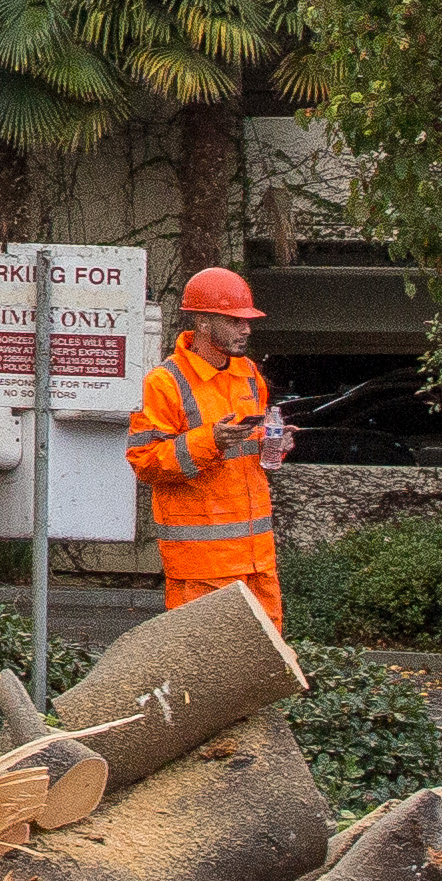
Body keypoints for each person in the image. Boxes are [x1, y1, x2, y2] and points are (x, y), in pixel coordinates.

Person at [129, 265, 290, 619]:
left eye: (246, 321)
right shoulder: (164, 382)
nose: (246, 329)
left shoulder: (248, 373)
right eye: (234, 320)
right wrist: (210, 441)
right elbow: (145, 462)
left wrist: (272, 443)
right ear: (202, 323)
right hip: (202, 565)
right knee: (203, 668)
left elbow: (250, 450)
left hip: (256, 558)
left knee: (264, 664)